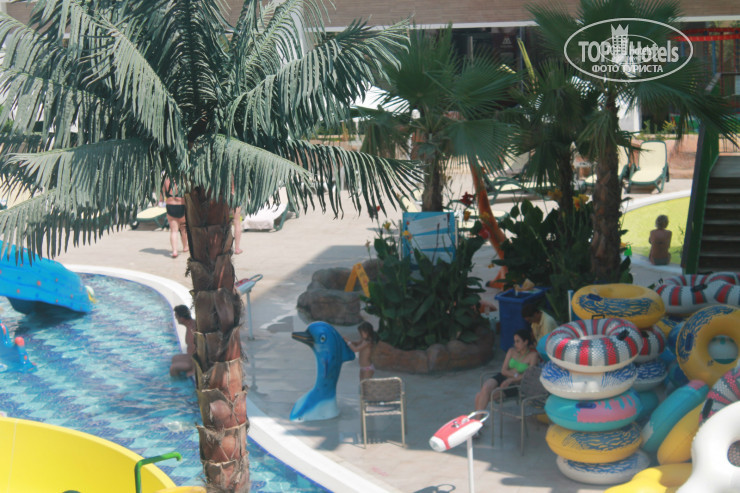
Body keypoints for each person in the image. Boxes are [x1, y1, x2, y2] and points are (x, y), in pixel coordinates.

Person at [474, 329, 539, 412]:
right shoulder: (511, 351)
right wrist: (515, 375)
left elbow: (529, 375)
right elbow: (503, 370)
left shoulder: (533, 355)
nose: (515, 344)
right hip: (503, 376)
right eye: (514, 341)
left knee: (480, 396)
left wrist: (512, 379)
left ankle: (477, 419)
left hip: (516, 384)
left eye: (518, 341)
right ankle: (478, 419)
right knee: (486, 387)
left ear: (525, 342)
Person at [161, 177, 189, 258]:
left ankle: (174, 251)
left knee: (174, 231)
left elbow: (161, 195)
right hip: (181, 205)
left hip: (170, 205)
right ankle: (185, 247)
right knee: (183, 229)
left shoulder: (166, 179)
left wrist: (160, 202)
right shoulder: (183, 178)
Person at [169, 305, 196, 377]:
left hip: (195, 362)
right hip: (191, 357)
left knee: (173, 368)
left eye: (176, 317)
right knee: (174, 358)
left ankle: (177, 383)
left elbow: (197, 352)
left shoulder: (191, 330)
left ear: (182, 318)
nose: (176, 318)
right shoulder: (190, 324)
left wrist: (193, 370)